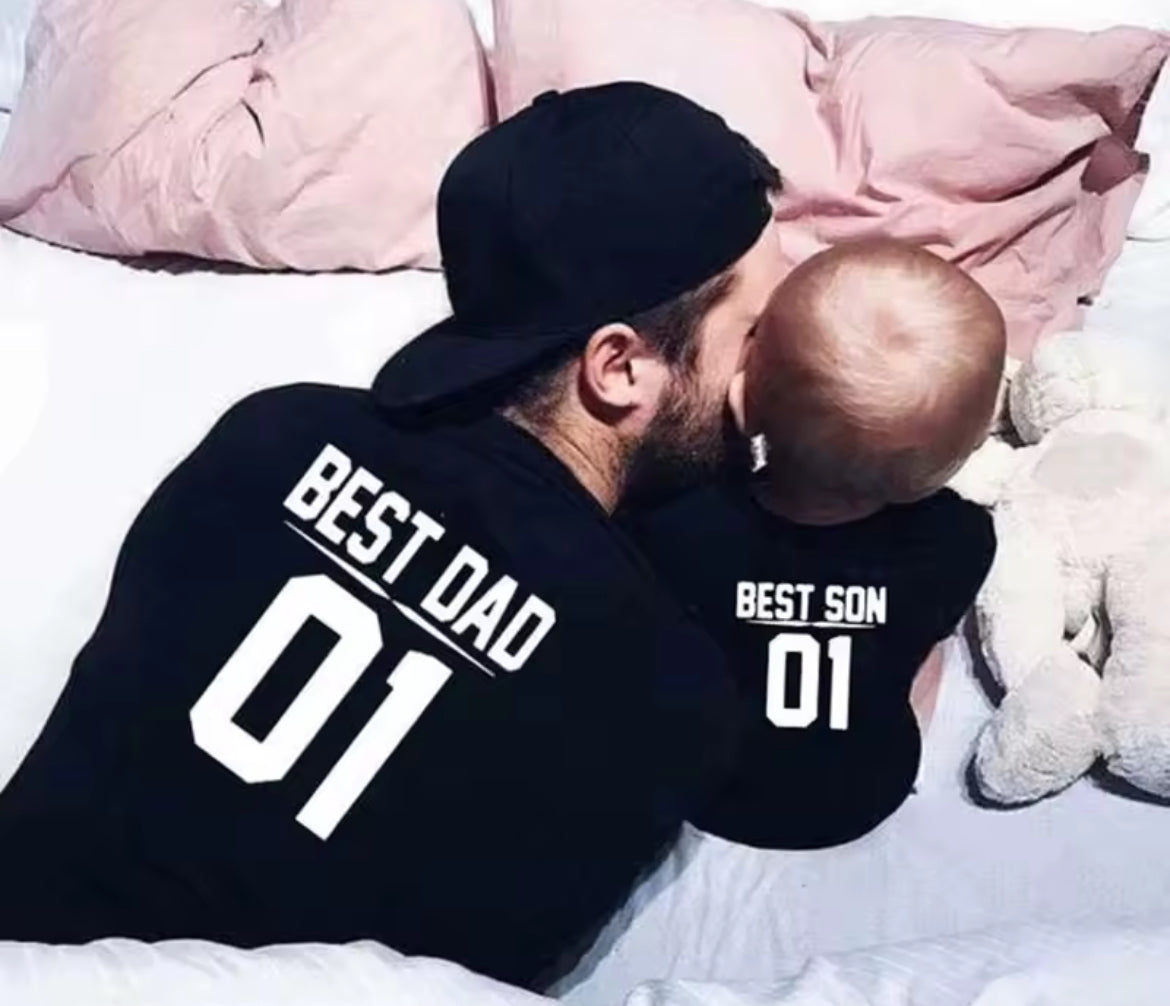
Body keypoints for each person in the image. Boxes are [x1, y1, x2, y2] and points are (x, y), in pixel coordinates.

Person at [0, 83, 785, 989]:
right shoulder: (667, 691)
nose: (767, 373)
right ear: (617, 366)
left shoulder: (270, 435)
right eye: (752, 336)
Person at [628, 240, 1003, 851]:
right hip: (865, 788)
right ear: (960, 454)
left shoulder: (677, 523)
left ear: (742, 400)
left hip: (707, 788)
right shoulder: (958, 540)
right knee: (917, 641)